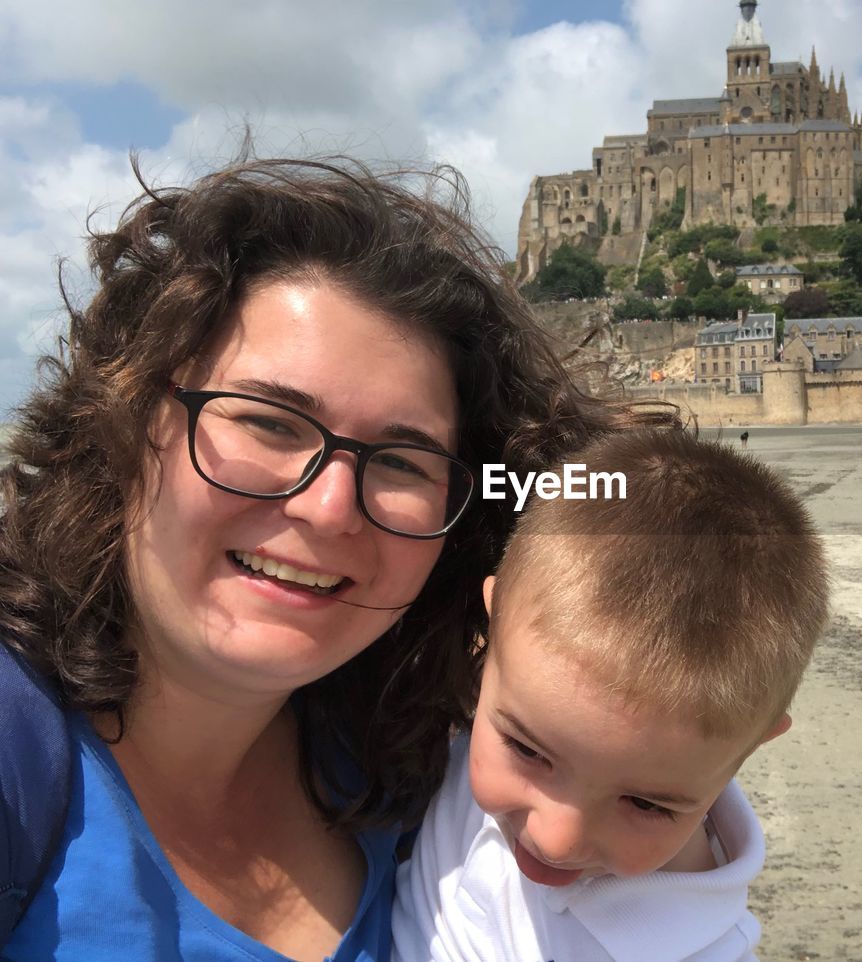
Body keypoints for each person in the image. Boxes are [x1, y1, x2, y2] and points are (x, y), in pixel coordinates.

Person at [0, 153, 676, 961]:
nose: (328, 509)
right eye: (269, 422)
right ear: (125, 421)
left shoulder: (415, 777)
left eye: (401, 461)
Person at [392, 429, 829, 962]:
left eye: (645, 804)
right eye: (528, 751)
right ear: (491, 629)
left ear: (756, 743)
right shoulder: (456, 715)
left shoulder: (697, 951)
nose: (556, 839)